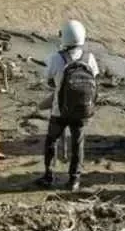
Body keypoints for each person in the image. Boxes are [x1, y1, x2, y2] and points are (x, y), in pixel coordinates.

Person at [37, 20, 99, 192]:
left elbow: (50, 81)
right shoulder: (90, 58)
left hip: (59, 110)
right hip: (82, 110)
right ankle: (74, 180)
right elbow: (93, 80)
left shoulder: (56, 58)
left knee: (51, 140)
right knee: (78, 144)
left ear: (63, 37)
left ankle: (49, 176)